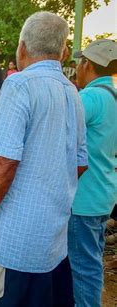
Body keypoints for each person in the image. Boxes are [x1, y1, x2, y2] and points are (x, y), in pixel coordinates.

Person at [0, 11, 88, 306]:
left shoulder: (19, 85)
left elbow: (6, 162)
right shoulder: (72, 92)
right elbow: (80, 162)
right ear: (62, 51)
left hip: (14, 241)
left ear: (22, 47)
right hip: (52, 238)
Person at [68, 39, 117, 306]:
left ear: (88, 64)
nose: (77, 67)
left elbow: (60, 132)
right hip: (103, 192)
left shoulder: (89, 98)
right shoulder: (112, 96)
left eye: (79, 62)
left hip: (84, 198)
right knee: (91, 262)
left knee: (83, 269)